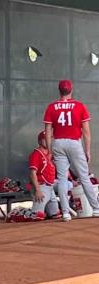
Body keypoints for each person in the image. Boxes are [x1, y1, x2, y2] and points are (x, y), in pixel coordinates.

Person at [44, 79, 99, 221]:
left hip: (59, 143)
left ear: (59, 91)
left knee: (62, 179)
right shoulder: (79, 106)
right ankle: (96, 208)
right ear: (71, 90)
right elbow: (86, 131)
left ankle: (66, 213)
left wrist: (49, 151)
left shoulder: (52, 107)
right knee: (84, 176)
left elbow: (48, 131)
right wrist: (87, 150)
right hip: (74, 143)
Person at [29, 131, 59, 218]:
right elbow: (32, 173)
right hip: (41, 186)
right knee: (37, 215)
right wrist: (37, 190)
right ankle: (18, 213)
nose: (47, 141)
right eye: (45, 139)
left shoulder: (50, 154)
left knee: (55, 214)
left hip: (50, 187)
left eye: (49, 139)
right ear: (39, 141)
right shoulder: (36, 154)